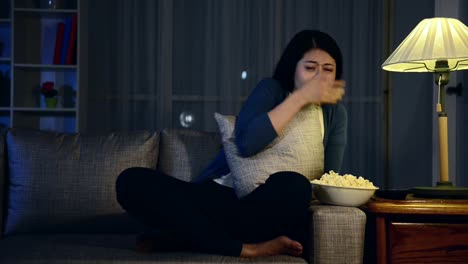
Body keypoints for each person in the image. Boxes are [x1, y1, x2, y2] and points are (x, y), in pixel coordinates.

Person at [115, 29, 346, 259]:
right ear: (293, 69)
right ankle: (246, 248)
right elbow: (247, 143)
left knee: (297, 186)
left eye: (328, 70)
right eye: (310, 68)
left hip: (265, 208)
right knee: (131, 181)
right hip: (222, 198)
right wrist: (301, 97)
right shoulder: (271, 90)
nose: (319, 78)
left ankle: (188, 237)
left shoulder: (335, 114)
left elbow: (327, 179)